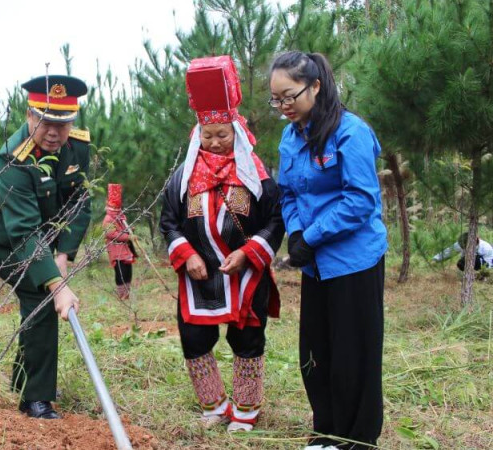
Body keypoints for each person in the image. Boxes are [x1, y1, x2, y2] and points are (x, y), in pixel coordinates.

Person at [160, 56, 284, 431]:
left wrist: (249, 253)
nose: (215, 142)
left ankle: (246, 409)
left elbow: (277, 220)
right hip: (199, 275)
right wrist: (186, 255)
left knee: (247, 338)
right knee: (195, 338)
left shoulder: (256, 176)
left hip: (245, 273)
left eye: (223, 135)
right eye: (208, 135)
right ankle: (213, 404)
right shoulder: (182, 178)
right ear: (198, 134)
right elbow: (168, 222)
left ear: (237, 133)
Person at [270, 51, 387, 449]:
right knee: (317, 352)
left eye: (290, 96)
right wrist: (297, 230)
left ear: (315, 86)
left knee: (354, 353)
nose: (284, 107)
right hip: (315, 262)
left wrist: (312, 236)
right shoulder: (290, 136)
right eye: (277, 100)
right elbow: (287, 192)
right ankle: (326, 432)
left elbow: (360, 200)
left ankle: (356, 439)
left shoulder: (350, 132)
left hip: (354, 259)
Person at [0, 75, 92, 419]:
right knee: (40, 298)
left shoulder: (78, 148)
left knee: (42, 292)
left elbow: (79, 202)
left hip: (44, 236)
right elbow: (23, 231)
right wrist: (57, 284)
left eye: (62, 122)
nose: (53, 132)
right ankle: (34, 398)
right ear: (29, 115)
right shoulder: (13, 158)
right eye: (44, 121)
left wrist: (64, 255)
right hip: (5, 241)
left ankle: (27, 382)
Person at [102, 183, 137, 300]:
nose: (117, 210)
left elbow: (122, 229)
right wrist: (127, 237)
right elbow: (111, 234)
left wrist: (129, 230)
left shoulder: (121, 216)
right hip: (116, 250)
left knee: (128, 270)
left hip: (125, 249)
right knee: (120, 271)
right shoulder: (108, 219)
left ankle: (127, 292)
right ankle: (121, 293)